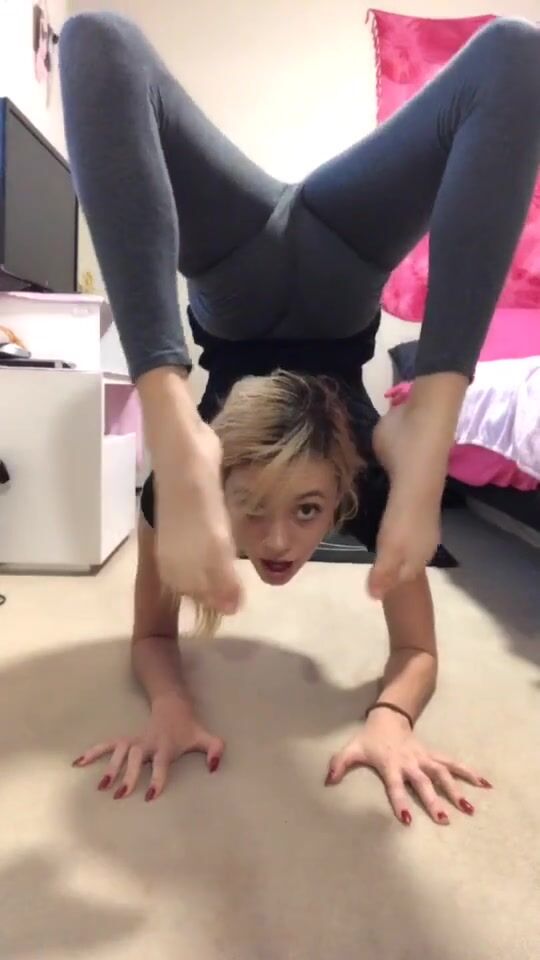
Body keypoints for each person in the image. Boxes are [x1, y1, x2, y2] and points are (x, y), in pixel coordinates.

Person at [59, 12, 540, 615]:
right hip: (345, 256)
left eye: (257, 509)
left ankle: (168, 419)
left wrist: (174, 450)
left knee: (97, 39)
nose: (278, 541)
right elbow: (417, 652)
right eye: (301, 511)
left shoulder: (188, 479)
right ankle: (429, 425)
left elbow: (151, 637)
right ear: (339, 502)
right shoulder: (373, 484)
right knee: (518, 53)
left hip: (234, 263)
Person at [72, 368, 492, 825]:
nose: (277, 543)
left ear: (341, 497)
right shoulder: (177, 490)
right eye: (253, 507)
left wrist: (392, 716)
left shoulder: (375, 490)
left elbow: (417, 649)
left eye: (307, 510)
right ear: (219, 490)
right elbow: (152, 634)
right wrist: (168, 705)